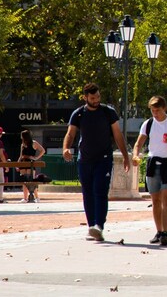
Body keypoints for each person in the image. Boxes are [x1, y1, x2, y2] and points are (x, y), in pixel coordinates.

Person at [62, 83, 131, 242]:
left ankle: (99, 226)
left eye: (98, 97)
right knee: (87, 193)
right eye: (93, 98)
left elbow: (118, 135)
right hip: (84, 160)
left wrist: (126, 156)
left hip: (103, 159)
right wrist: (66, 148)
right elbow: (70, 134)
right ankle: (91, 226)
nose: (96, 100)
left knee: (100, 191)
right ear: (85, 97)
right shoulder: (78, 114)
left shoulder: (108, 112)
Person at [132, 96, 167, 247]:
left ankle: (165, 233)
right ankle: (158, 231)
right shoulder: (148, 124)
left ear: (165, 108)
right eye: (153, 111)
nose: (155, 113)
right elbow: (139, 143)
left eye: (158, 110)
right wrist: (136, 155)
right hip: (153, 163)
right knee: (155, 200)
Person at [18, 130, 46, 203]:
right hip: (23, 163)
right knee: (24, 181)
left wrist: (36, 158)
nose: (21, 137)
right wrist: (18, 164)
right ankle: (25, 198)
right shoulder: (23, 144)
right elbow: (21, 155)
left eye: (22, 136)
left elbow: (43, 150)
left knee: (31, 181)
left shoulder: (34, 143)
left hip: (30, 163)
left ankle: (37, 197)